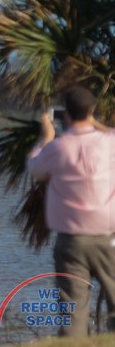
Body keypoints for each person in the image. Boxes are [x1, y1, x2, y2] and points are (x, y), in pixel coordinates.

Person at [27, 84, 115, 337]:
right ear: (93, 110)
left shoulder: (57, 148)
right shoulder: (109, 142)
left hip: (71, 242)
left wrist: (45, 137)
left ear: (65, 114)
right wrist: (95, 123)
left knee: (72, 310)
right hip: (109, 237)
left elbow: (34, 168)